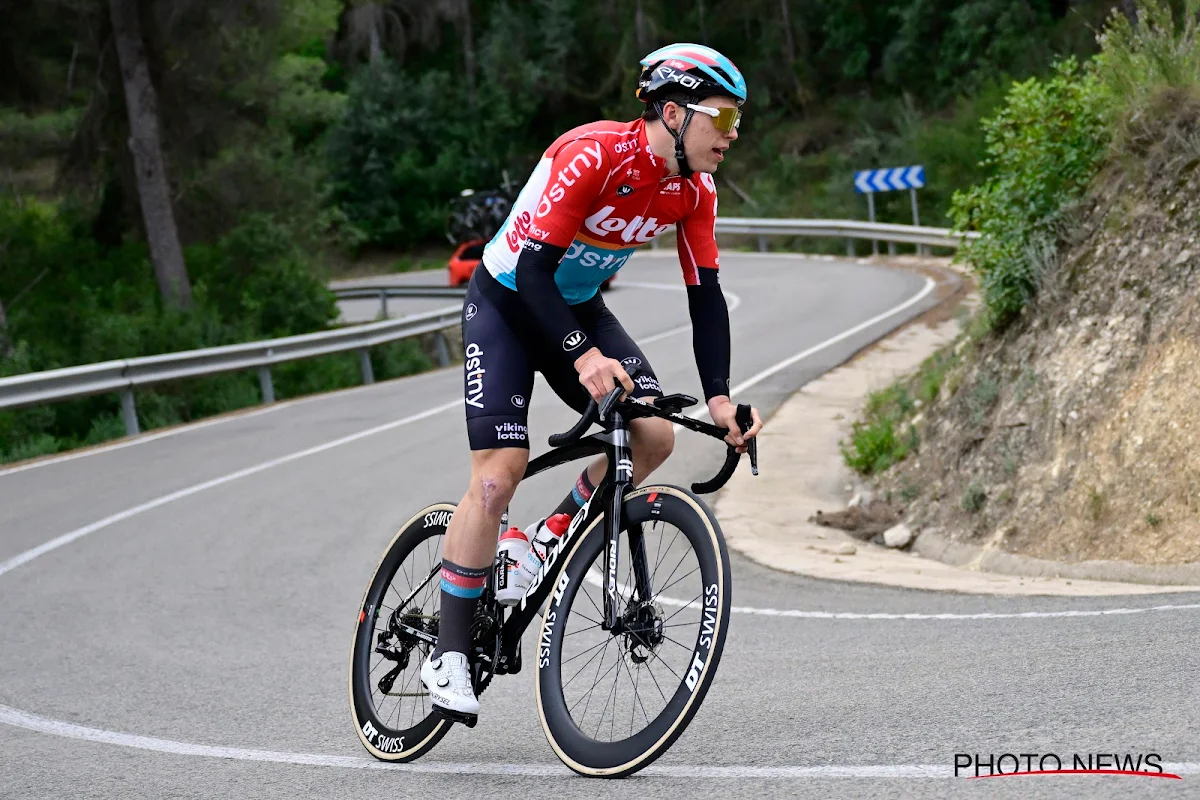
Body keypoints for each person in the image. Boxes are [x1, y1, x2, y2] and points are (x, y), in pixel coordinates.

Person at [420, 43, 765, 722]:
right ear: (673, 112)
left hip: (574, 304)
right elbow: (534, 272)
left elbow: (705, 297)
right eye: (722, 120)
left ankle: (540, 542)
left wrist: (722, 398)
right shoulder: (593, 154)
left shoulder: (693, 191)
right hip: (511, 298)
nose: (731, 136)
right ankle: (449, 652)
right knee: (496, 477)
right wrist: (581, 357)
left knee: (654, 435)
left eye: (737, 123)